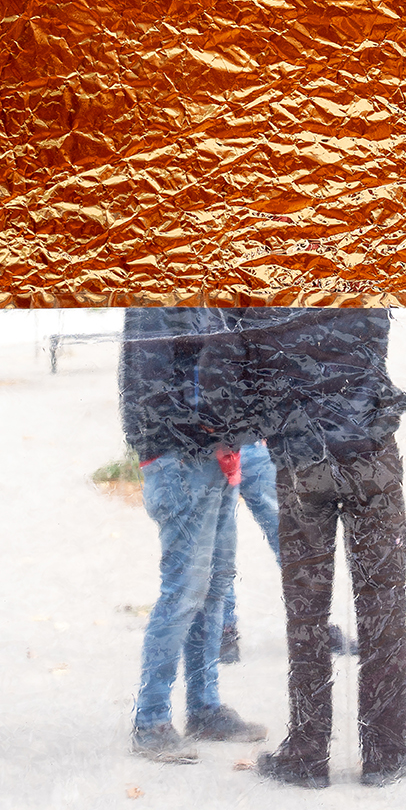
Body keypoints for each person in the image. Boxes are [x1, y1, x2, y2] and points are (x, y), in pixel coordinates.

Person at [240, 308, 406, 790]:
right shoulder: (366, 274)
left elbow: (244, 367)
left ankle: (307, 752)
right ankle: (386, 751)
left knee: (306, 611)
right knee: (383, 604)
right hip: (369, 449)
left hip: (302, 456)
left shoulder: (264, 287)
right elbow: (373, 344)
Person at [120, 308, 270, 762]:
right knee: (184, 591)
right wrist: (212, 430)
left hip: (217, 456)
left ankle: (205, 708)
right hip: (182, 461)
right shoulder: (156, 301)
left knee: (216, 584)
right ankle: (151, 721)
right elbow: (152, 390)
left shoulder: (208, 296)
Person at [220, 439, 281, 664]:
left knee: (289, 536)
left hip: (255, 446)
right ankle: (223, 627)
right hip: (216, 450)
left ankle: (314, 622)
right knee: (220, 544)